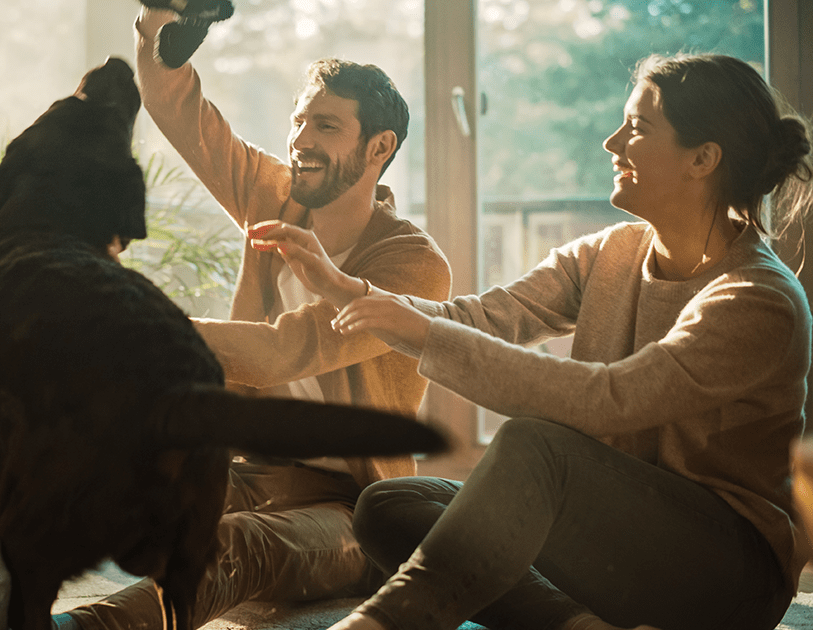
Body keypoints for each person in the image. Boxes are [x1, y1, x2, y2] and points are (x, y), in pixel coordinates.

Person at [0, 5, 450, 630]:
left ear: (379, 148)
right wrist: (157, 23)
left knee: (233, 542)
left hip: (354, 510)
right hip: (254, 463)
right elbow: (181, 110)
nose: (302, 139)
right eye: (300, 120)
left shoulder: (412, 265)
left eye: (327, 127)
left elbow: (292, 350)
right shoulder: (275, 196)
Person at [257, 52, 813, 630]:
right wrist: (355, 292)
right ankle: (576, 625)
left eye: (638, 128)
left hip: (728, 579)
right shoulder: (609, 252)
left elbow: (609, 398)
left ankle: (385, 621)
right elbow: (484, 318)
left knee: (534, 444)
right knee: (388, 505)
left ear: (703, 158)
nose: (611, 142)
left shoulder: (757, 297)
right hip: (618, 545)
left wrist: (418, 331)